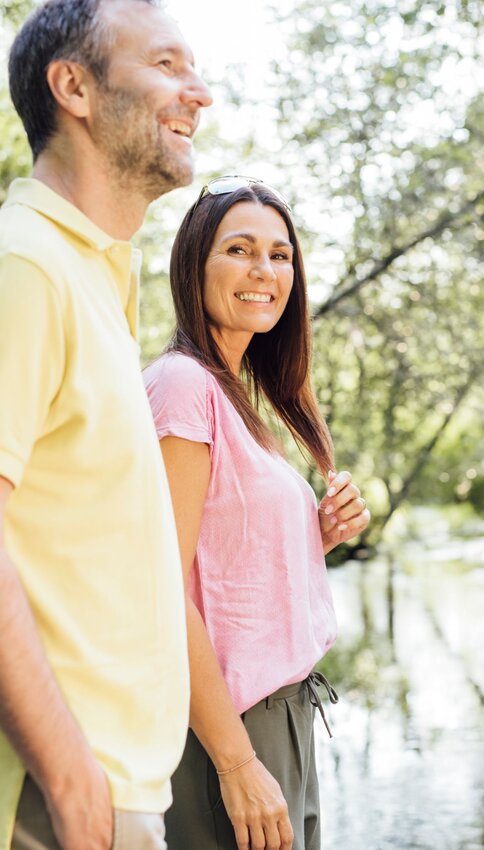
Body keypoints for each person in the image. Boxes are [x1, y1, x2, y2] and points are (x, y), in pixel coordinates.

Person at [0, 1, 212, 848]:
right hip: (60, 797)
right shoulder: (25, 265)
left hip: (113, 791)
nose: (199, 92)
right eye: (166, 64)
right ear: (74, 87)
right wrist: (69, 777)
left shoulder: (95, 276)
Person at [143, 175, 371, 850]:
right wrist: (237, 760)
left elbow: (220, 566)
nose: (264, 271)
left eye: (279, 255)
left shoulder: (236, 395)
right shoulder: (183, 388)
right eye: (239, 249)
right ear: (194, 266)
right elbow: (159, 588)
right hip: (227, 727)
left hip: (283, 714)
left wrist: (311, 538)